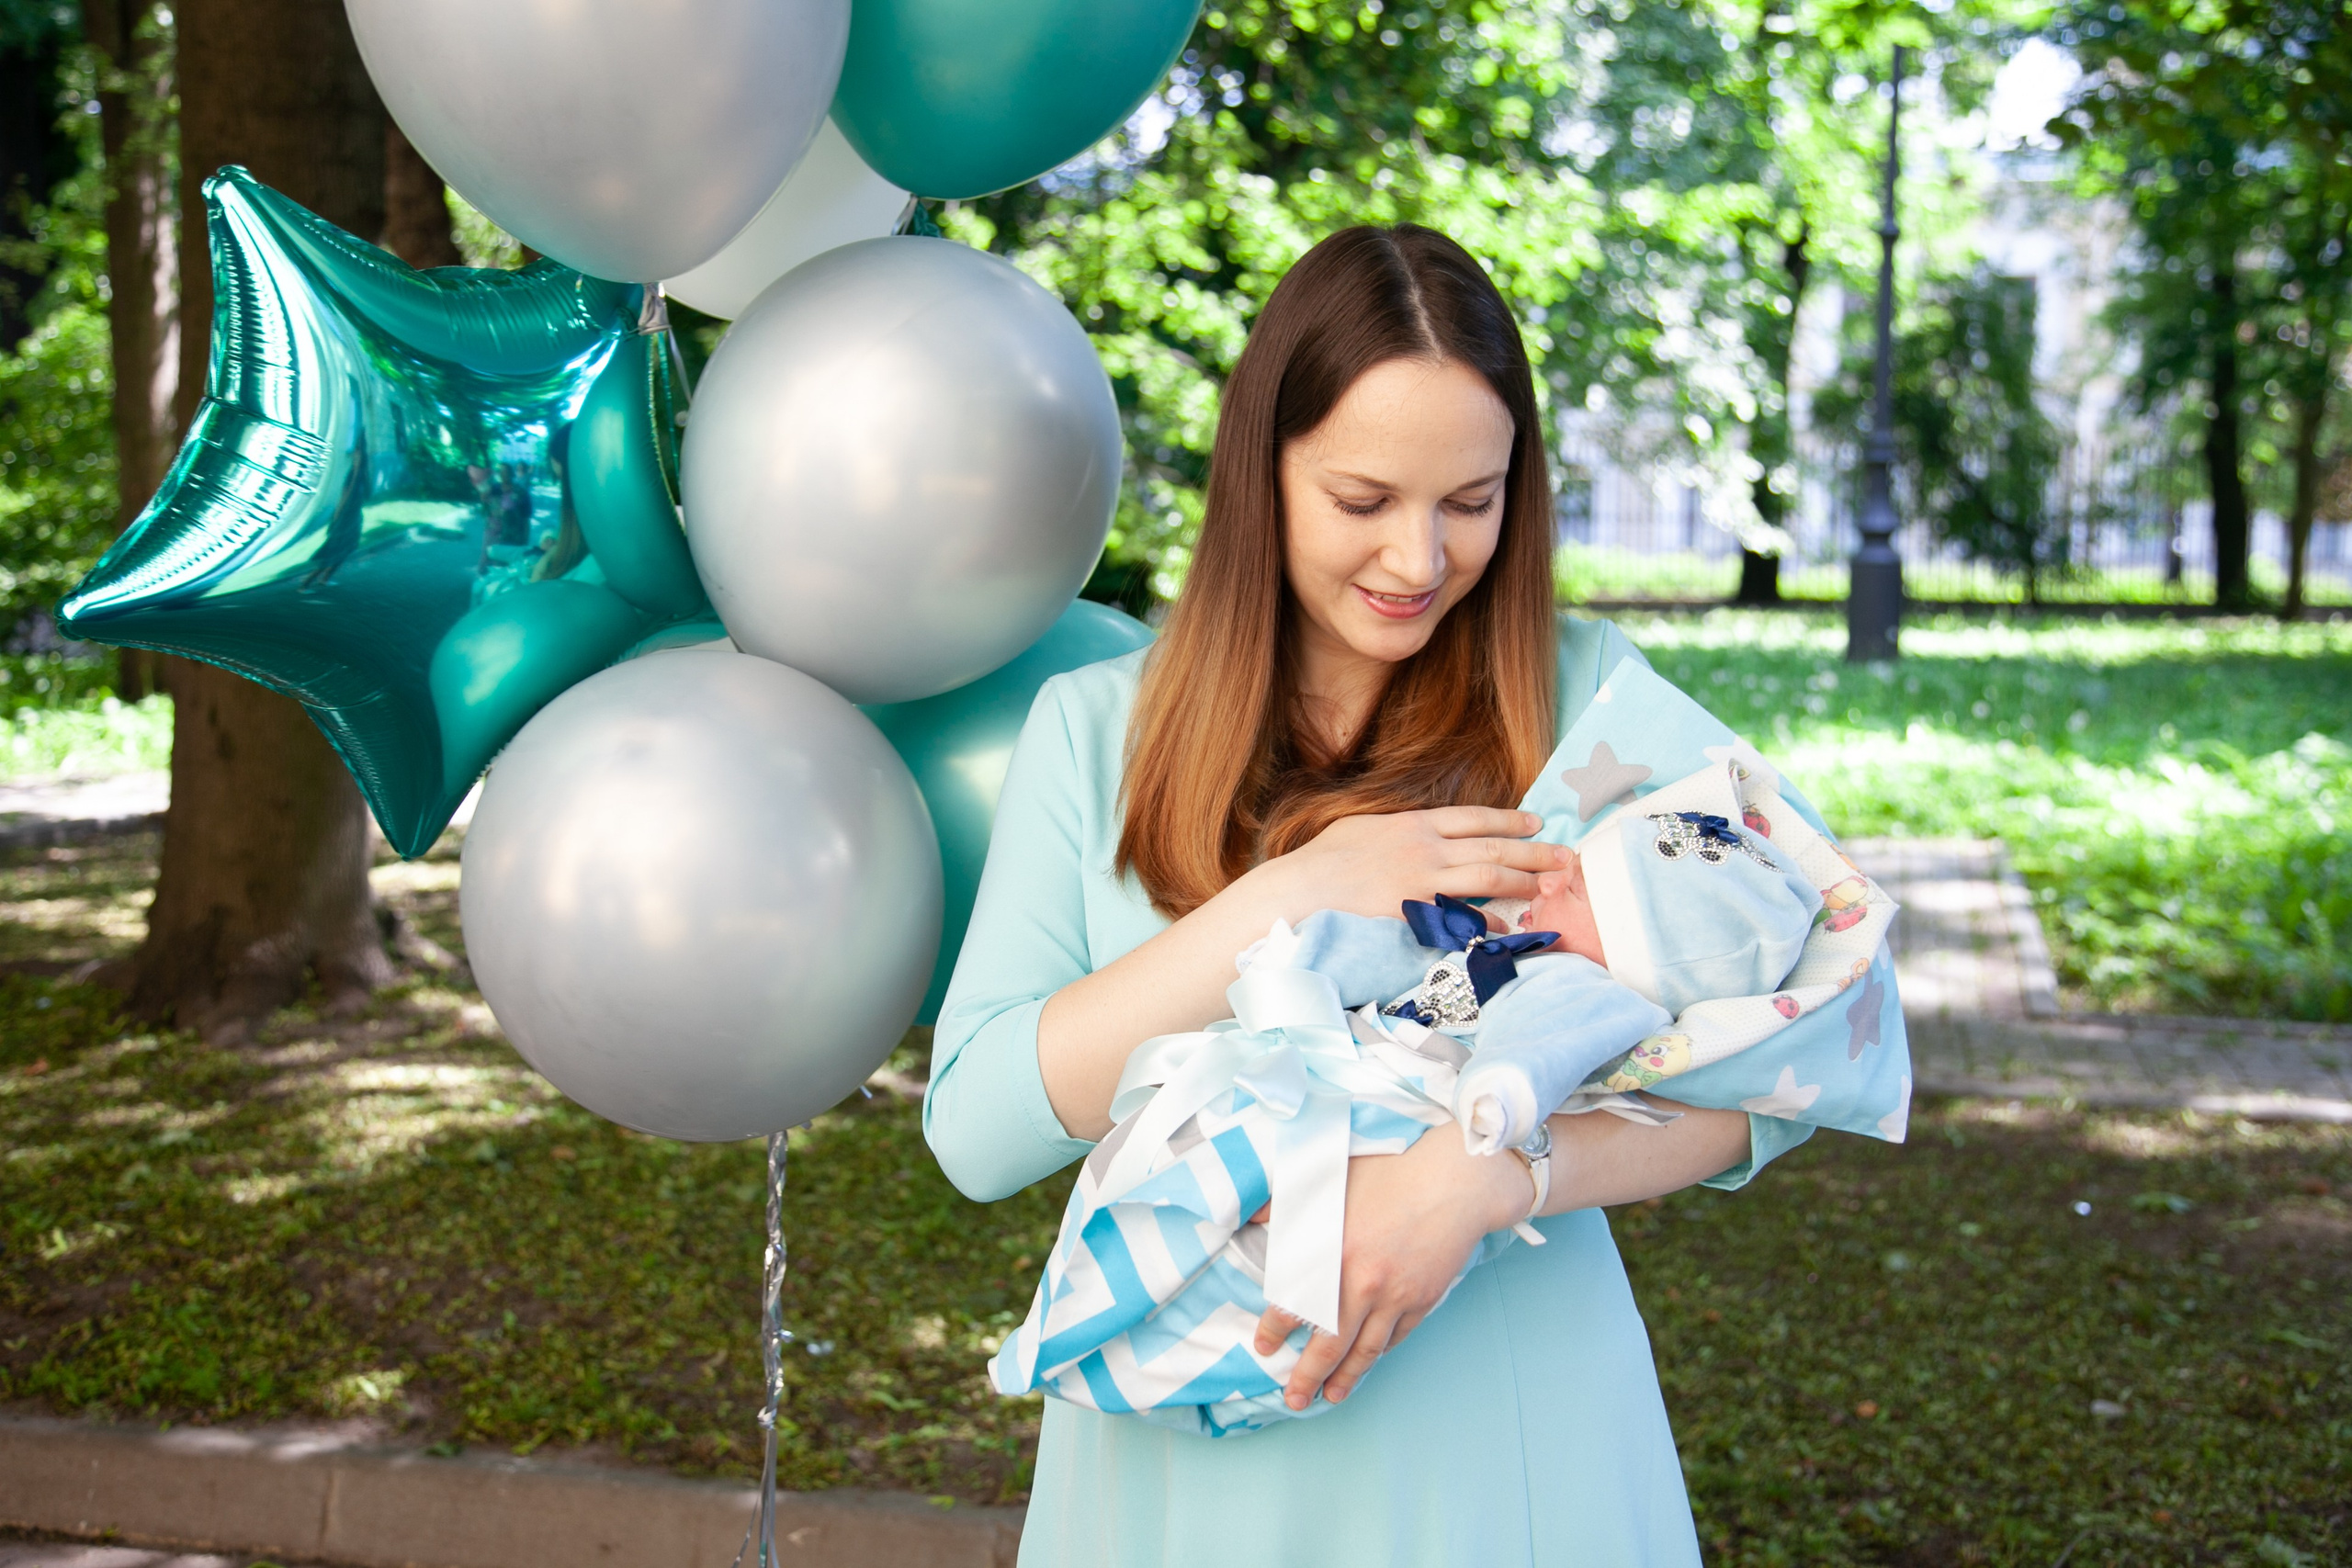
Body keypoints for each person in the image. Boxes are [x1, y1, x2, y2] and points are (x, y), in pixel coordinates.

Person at [926, 223, 1894, 1566]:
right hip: (1179, 1468)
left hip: (1502, 1444)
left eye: (1472, 502)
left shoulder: (1583, 701)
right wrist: (1304, 891)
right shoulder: (1095, 731)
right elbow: (979, 1131)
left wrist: (1485, 1177)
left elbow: (1797, 1063)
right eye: (1364, 500)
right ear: (1263, 473)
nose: (1420, 561)